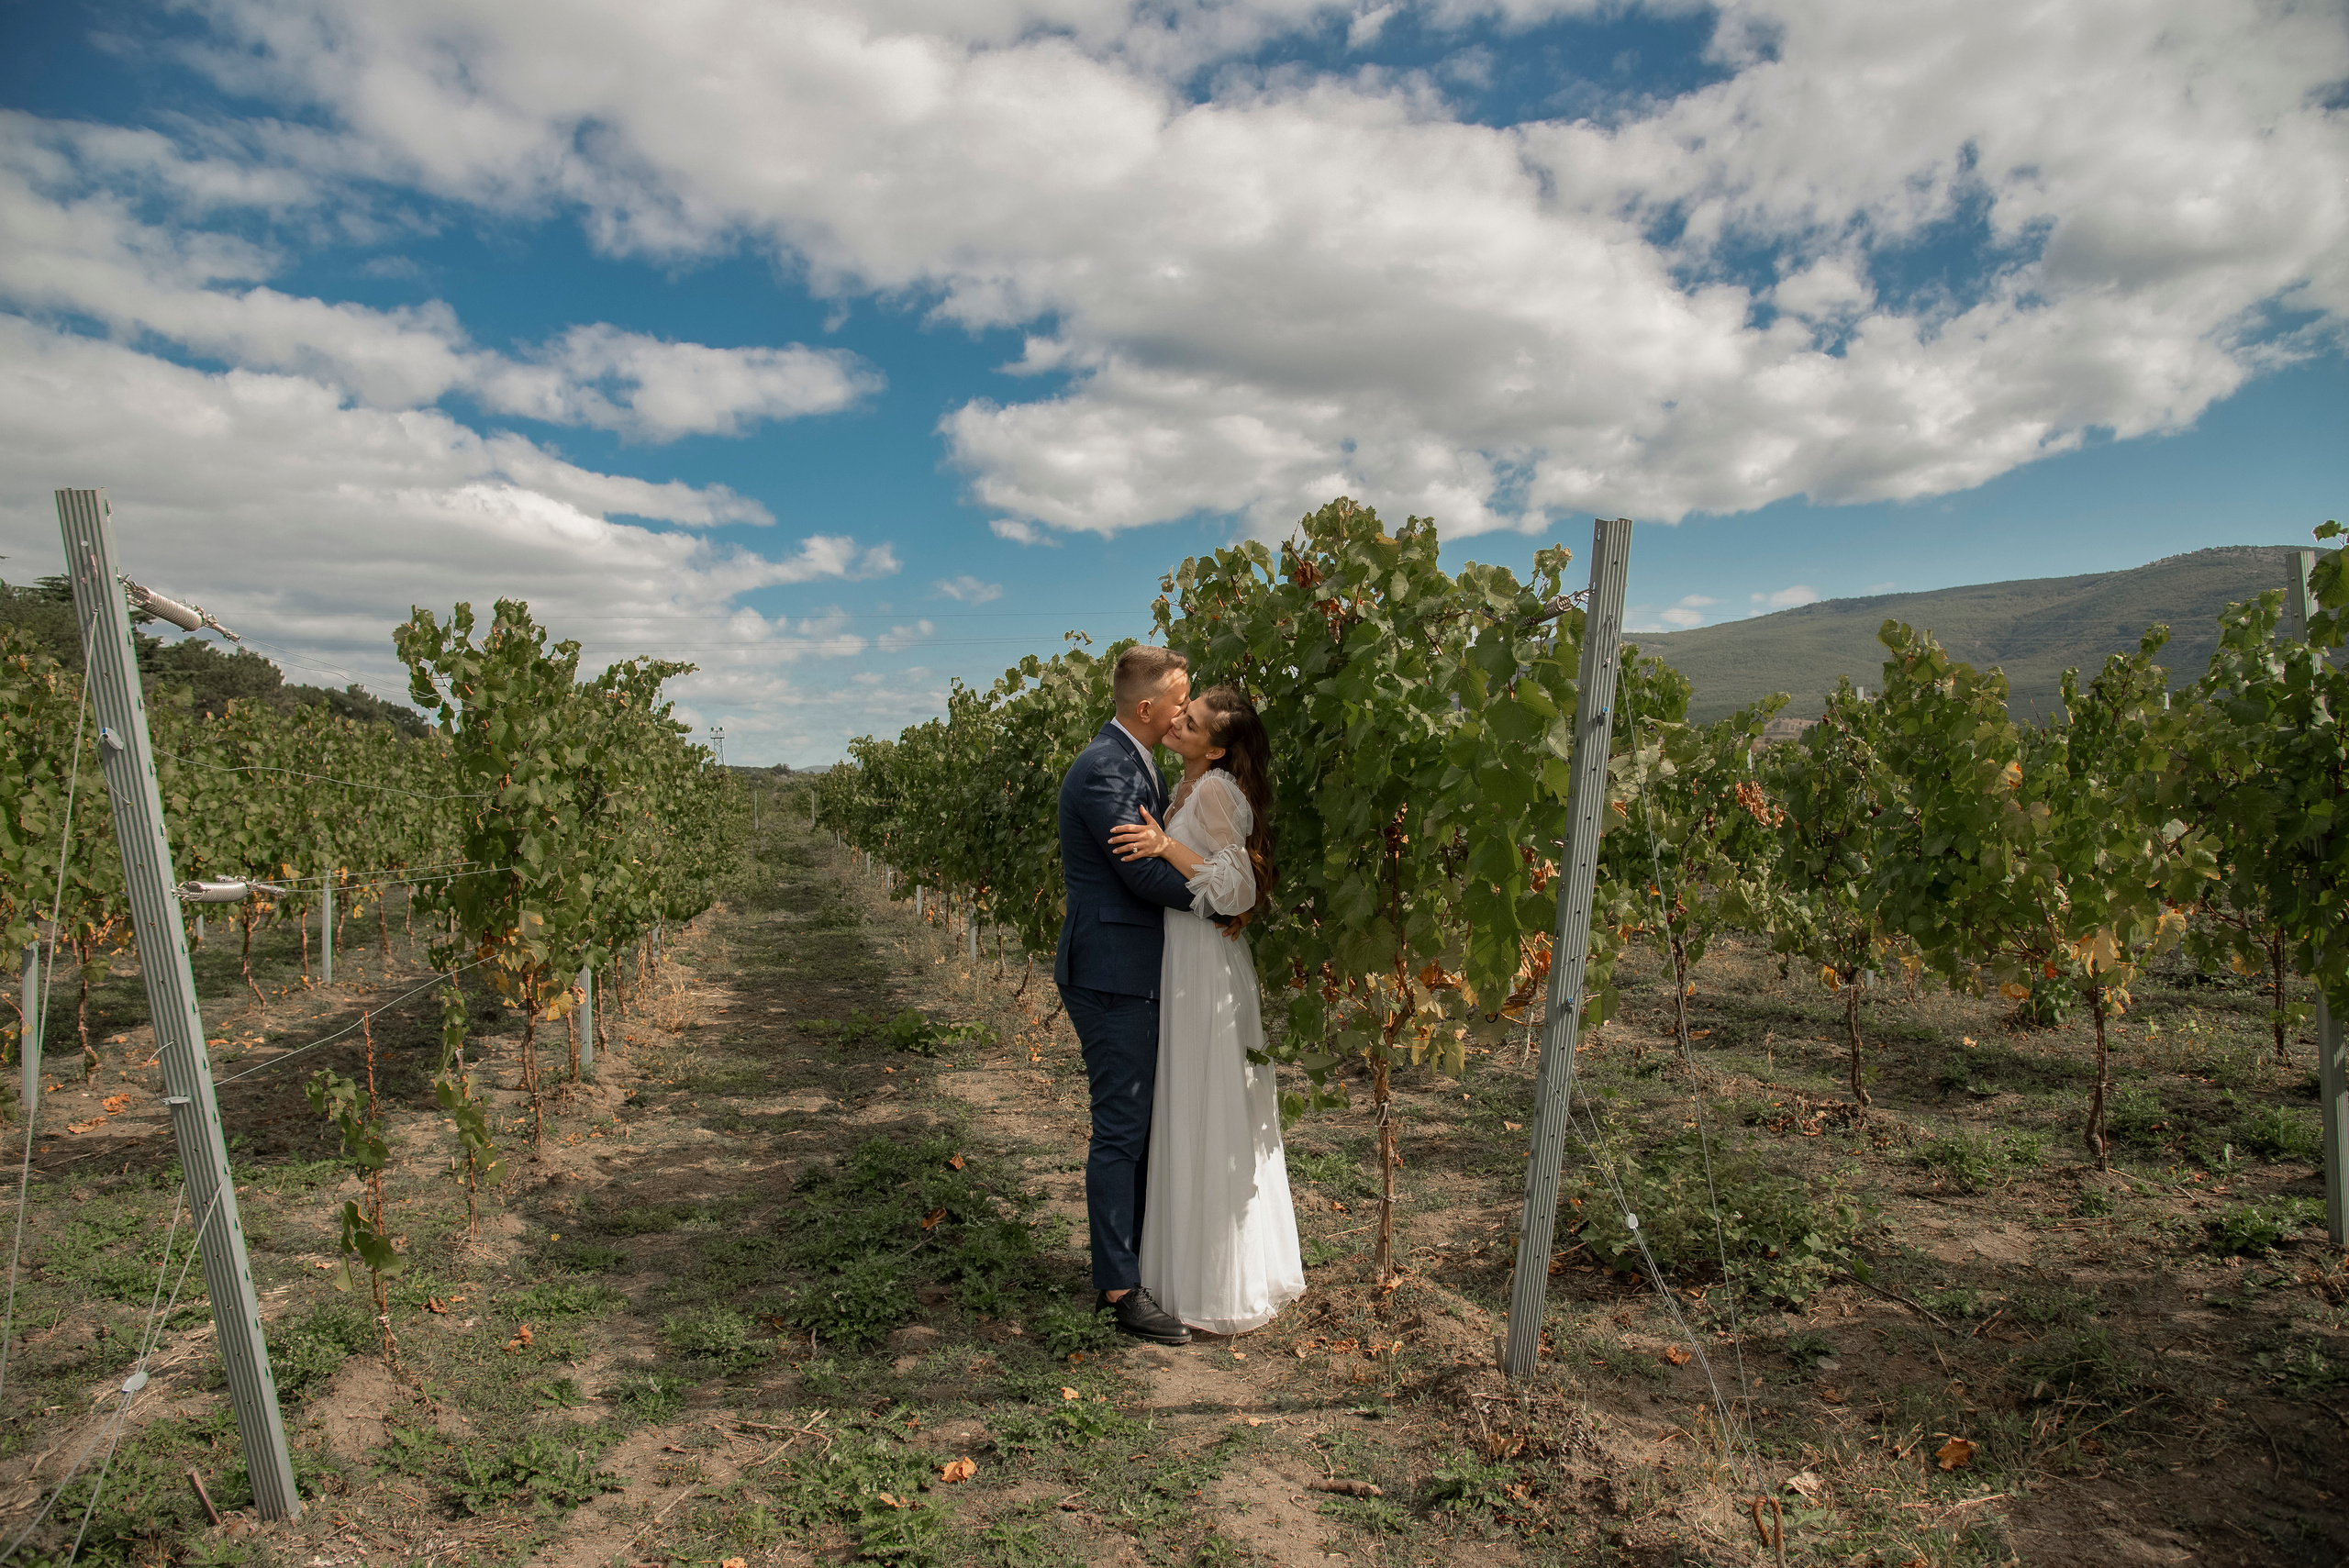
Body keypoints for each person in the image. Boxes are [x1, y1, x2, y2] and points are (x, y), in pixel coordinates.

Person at [1109, 686, 1306, 1335]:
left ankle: (1217, 1283)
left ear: (1216, 747)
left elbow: (1236, 884)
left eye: (1189, 723)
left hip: (1205, 967)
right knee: (1189, 1105)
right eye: (1181, 714)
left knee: (1207, 1106)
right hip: (1184, 955)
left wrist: (1166, 846)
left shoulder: (1217, 789)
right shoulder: (1188, 786)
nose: (1176, 723)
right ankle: (1185, 1269)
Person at [1055, 645, 1198, 1347]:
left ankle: (1130, 1262)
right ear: (1148, 708)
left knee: (1133, 1124)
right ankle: (1118, 1286)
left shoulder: (1132, 759)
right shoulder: (1107, 767)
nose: (1185, 711)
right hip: (1112, 970)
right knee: (1120, 1128)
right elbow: (1142, 873)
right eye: (1180, 699)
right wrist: (1224, 896)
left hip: (1127, 966)